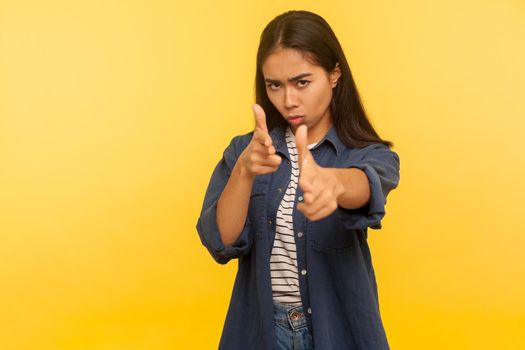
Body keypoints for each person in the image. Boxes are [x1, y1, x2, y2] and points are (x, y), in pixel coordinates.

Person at [196, 10, 400, 350]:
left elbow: (365, 185)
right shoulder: (246, 152)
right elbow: (223, 241)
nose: (288, 100)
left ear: (334, 74)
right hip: (261, 330)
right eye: (274, 85)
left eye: (302, 82)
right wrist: (244, 172)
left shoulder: (370, 155)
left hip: (336, 330)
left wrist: (333, 183)